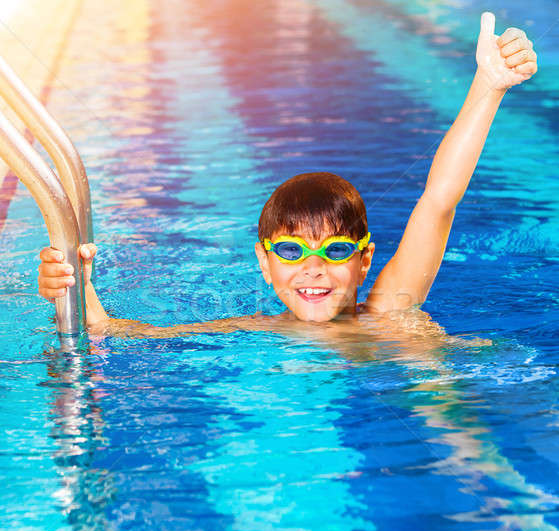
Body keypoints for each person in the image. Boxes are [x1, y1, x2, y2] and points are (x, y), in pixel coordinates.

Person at [37, 13, 537, 340]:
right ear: (265, 261)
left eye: (336, 250)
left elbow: (438, 201)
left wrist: (489, 87)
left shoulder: (387, 310)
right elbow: (120, 332)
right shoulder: (256, 329)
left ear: (365, 260)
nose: (313, 269)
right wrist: (75, 285)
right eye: (292, 251)